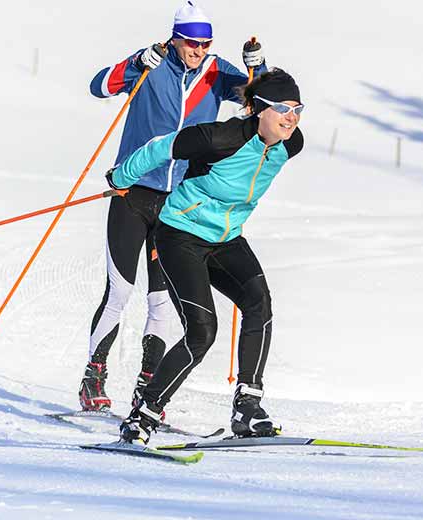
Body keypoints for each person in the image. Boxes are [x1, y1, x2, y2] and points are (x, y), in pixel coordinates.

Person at [80, 0, 268, 412]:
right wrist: (133, 64)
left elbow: (260, 104)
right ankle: (94, 375)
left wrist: (258, 66)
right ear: (175, 38)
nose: (199, 50)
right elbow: (98, 86)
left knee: (161, 299)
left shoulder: (216, 72)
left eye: (205, 43)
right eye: (191, 43)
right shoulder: (152, 64)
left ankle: (147, 387)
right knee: (120, 290)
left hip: (180, 202)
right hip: (134, 194)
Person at [102, 68, 304, 444]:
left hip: (226, 238)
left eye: (297, 108)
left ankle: (248, 406)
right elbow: (163, 146)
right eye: (282, 108)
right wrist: (121, 176)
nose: (291, 117)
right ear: (259, 110)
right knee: (202, 332)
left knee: (259, 303)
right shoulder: (221, 137)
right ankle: (143, 415)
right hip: (181, 234)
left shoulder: (290, 144)